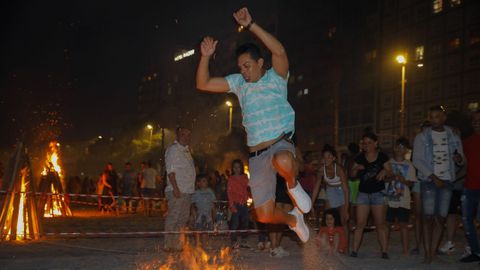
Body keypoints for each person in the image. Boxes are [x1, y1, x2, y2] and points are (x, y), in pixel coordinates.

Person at [196, 7, 311, 242]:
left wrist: (251, 25)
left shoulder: (276, 77)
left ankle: (292, 185)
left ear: (260, 63)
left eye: (247, 65)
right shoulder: (239, 83)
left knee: (283, 160)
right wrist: (205, 56)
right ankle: (293, 220)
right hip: (257, 155)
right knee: (265, 215)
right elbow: (203, 83)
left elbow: (279, 50)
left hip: (280, 143)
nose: (243, 71)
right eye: (240, 67)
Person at [412, 105, 464, 264]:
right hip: (429, 181)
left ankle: (433, 250)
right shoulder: (421, 137)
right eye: (432, 116)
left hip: (447, 181)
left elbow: (461, 158)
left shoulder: (453, 135)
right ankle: (427, 253)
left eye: (437, 116)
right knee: (427, 218)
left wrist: (459, 159)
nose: (434, 119)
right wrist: (433, 177)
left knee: (440, 219)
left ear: (443, 118)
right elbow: (417, 160)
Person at [350, 132, 390, 259]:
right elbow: (351, 175)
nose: (366, 145)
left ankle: (384, 251)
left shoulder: (382, 156)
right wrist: (356, 169)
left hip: (378, 193)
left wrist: (385, 171)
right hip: (363, 193)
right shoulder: (359, 157)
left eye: (369, 143)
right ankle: (354, 251)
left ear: (375, 143)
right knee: (360, 223)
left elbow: (391, 172)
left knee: (380, 224)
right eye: (364, 143)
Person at [164, 127, 196, 251]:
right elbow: (170, 171)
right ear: (178, 135)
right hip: (177, 189)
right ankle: (168, 244)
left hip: (187, 190)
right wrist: (175, 188)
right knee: (174, 217)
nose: (187, 137)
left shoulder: (186, 150)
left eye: (188, 135)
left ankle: (177, 244)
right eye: (184, 135)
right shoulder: (173, 150)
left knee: (183, 218)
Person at [312, 145, 349, 248]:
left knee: (343, 220)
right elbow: (316, 187)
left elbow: (346, 190)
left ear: (334, 158)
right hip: (331, 190)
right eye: (324, 157)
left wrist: (346, 209)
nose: (326, 159)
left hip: (342, 190)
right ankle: (325, 245)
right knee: (327, 217)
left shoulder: (339, 169)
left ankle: (345, 247)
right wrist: (311, 203)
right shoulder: (320, 170)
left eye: (329, 156)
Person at [385, 137, 417, 255]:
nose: (399, 149)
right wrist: (391, 177)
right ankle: (385, 248)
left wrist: (403, 180)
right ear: (394, 148)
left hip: (404, 200)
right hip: (389, 199)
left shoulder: (409, 165)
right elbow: (384, 180)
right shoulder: (388, 163)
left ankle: (405, 250)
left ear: (406, 150)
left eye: (402, 147)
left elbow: (411, 183)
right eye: (398, 146)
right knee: (387, 224)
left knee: (403, 224)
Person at [459, 109, 480, 263]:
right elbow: (463, 164)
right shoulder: (466, 142)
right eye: (474, 119)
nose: (476, 122)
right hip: (469, 186)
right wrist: (458, 160)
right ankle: (476, 252)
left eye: (479, 119)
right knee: (467, 221)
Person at [410, 120, 431, 255]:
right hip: (418, 181)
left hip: (433, 182)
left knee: (430, 215)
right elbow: (414, 164)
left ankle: (430, 244)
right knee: (418, 215)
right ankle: (418, 244)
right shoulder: (417, 145)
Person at [268, 174, 293, 258]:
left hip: (288, 183)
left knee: (284, 218)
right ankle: (273, 248)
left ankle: (277, 246)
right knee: (275, 218)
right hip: (275, 182)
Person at [227, 159, 250, 249]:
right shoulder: (231, 179)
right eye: (235, 167)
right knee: (235, 223)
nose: (237, 169)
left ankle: (244, 239)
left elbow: (247, 188)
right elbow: (229, 192)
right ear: (232, 168)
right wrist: (231, 205)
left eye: (238, 167)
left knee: (245, 222)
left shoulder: (245, 178)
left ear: (241, 168)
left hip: (243, 203)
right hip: (235, 203)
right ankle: (233, 240)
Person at [191, 174, 216, 247]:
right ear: (198, 183)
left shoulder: (210, 192)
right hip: (199, 214)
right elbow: (192, 204)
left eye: (205, 181)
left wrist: (214, 214)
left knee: (206, 230)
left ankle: (205, 244)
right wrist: (193, 214)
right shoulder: (196, 193)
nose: (203, 183)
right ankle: (198, 244)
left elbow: (213, 204)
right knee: (198, 230)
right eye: (201, 181)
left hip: (208, 215)